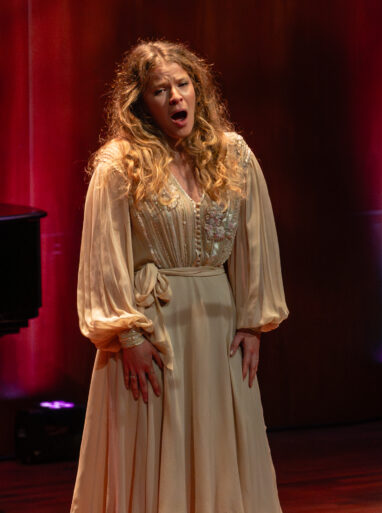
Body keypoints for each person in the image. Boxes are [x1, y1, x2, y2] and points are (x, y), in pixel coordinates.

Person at [72, 40, 288, 513]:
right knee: (154, 454)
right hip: (153, 336)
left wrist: (253, 323)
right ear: (140, 103)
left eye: (183, 85)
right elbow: (102, 260)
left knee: (221, 447)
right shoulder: (118, 164)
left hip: (217, 332)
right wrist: (126, 337)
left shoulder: (233, 155)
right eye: (159, 90)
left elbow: (256, 241)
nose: (175, 97)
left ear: (198, 90)